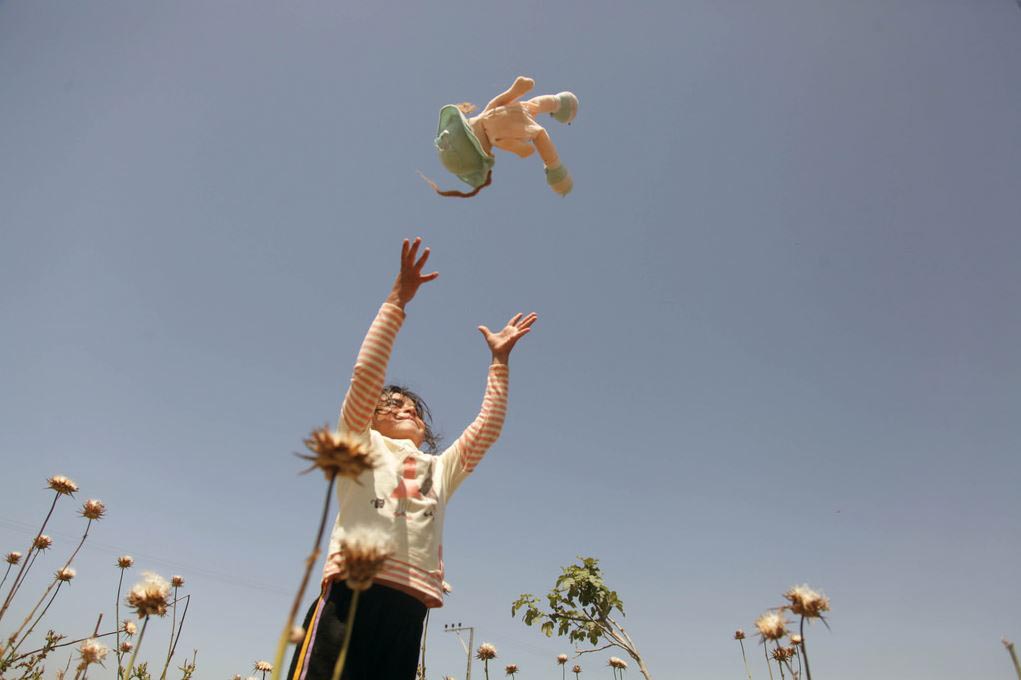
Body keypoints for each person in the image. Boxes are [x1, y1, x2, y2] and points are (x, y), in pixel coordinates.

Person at [288, 237, 536, 680]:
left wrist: (499, 363)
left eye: (415, 408)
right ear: (373, 417)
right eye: (394, 404)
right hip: (351, 590)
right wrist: (396, 302)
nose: (407, 409)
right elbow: (366, 375)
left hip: (411, 604)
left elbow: (487, 429)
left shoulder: (440, 469)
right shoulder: (359, 444)